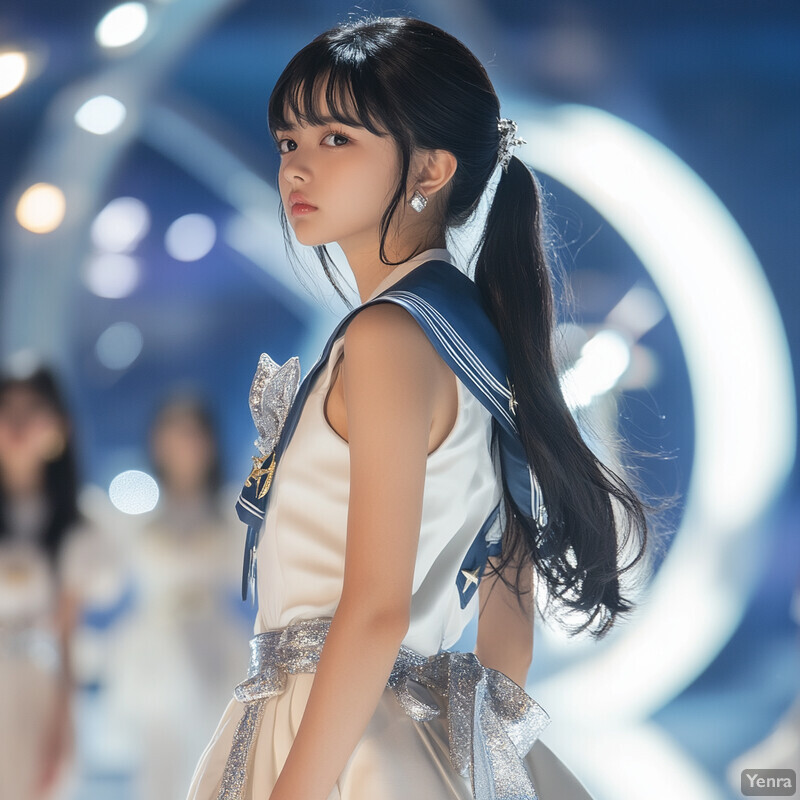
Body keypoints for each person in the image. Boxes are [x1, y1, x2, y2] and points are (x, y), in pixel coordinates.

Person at [186, 15, 651, 800]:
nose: (296, 168)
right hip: (403, 735)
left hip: (326, 735)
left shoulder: (389, 337)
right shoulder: (475, 335)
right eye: (286, 142)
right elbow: (509, 634)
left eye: (336, 139)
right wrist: (471, 756)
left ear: (430, 167)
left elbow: (375, 612)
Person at [104, 393, 251, 800]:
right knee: (159, 766)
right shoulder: (135, 510)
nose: (185, 444)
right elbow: (106, 576)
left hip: (216, 648)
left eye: (193, 433)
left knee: (215, 757)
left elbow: (254, 570)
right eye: (174, 432)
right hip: (153, 651)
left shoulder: (230, 511)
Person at [0, 364, 120, 799]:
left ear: (59, 427)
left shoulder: (79, 530)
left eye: (32, 409)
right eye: (6, 407)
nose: (16, 423)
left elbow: (67, 639)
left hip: (38, 689)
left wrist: (61, 726)